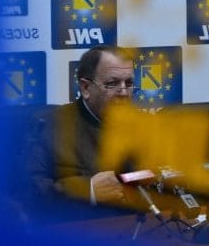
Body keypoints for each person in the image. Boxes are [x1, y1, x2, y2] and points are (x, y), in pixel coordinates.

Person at [24, 45, 137, 220]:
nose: (123, 93)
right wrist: (87, 191)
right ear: (85, 88)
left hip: (136, 226)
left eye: (128, 83)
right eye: (112, 83)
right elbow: (31, 193)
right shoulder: (49, 125)